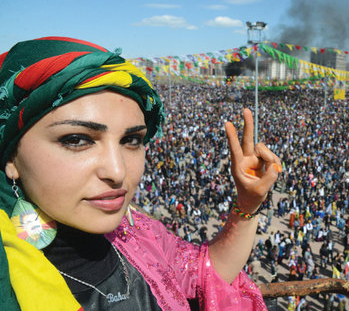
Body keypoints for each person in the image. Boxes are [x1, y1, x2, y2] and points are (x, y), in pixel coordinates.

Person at [0, 37, 281, 310]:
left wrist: (247, 203)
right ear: (11, 155)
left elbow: (204, 272)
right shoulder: (8, 276)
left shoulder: (136, 234)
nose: (117, 171)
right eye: (77, 139)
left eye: (131, 140)